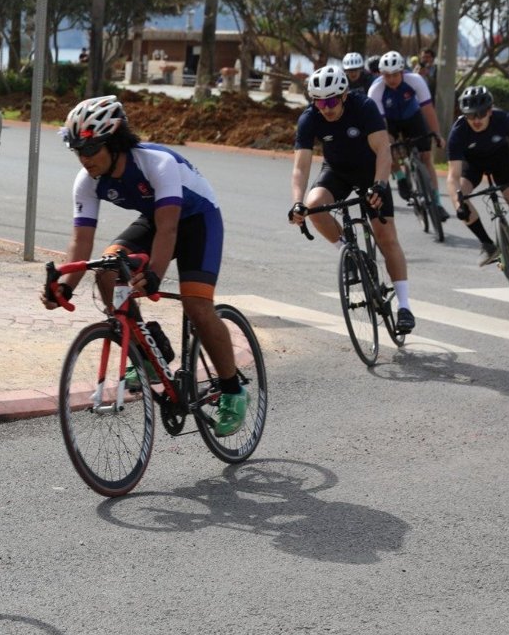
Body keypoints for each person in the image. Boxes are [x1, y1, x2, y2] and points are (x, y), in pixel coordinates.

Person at [40, 95, 248, 436]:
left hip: (198, 221)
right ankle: (148, 355)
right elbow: (81, 241)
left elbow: (169, 230)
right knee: (107, 269)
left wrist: (154, 276)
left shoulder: (157, 163)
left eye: (90, 149)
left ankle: (232, 390)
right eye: (77, 151)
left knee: (196, 305)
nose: (84, 158)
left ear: (114, 142)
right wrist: (64, 287)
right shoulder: (87, 180)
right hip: (156, 219)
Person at [288, 65, 416, 333]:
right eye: (320, 102)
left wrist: (380, 185)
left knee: (386, 236)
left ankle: (404, 307)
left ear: (344, 95)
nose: (326, 108)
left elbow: (384, 150)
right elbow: (301, 167)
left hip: (371, 172)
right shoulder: (309, 118)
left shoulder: (364, 107)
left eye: (332, 101)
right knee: (313, 206)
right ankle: (350, 254)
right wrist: (297, 202)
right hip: (337, 172)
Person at [445, 86, 509, 279]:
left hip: (501, 161)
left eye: (481, 114)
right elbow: (453, 176)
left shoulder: (506, 120)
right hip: (472, 164)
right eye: (471, 115)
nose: (476, 120)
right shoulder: (458, 132)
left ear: (490, 111)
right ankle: (487, 245)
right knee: (460, 198)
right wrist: (459, 204)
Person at [367, 50, 449, 224]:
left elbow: (428, 109)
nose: (391, 79)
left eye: (395, 75)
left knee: (426, 158)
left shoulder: (415, 80)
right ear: (381, 74)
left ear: (402, 72)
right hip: (390, 122)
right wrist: (387, 145)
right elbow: (380, 125)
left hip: (413, 118)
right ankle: (400, 176)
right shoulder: (375, 90)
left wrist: (437, 134)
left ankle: (437, 203)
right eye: (387, 75)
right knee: (386, 149)